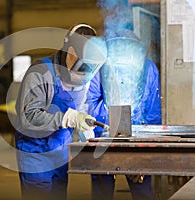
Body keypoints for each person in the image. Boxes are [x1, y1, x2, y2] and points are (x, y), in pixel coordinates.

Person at [14, 23, 107, 200]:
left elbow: (80, 107)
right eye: (85, 67)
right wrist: (68, 118)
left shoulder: (85, 77)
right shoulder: (41, 73)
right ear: (71, 54)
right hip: (35, 154)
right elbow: (28, 117)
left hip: (60, 153)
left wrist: (83, 126)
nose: (86, 75)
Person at [86, 29, 162, 200]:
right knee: (107, 191)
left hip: (132, 138)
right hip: (108, 138)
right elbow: (91, 104)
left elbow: (153, 110)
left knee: (137, 191)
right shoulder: (100, 66)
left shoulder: (148, 67)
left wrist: (149, 141)